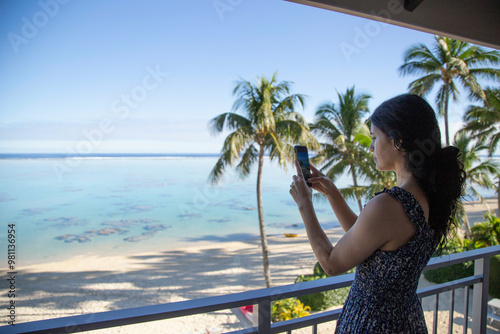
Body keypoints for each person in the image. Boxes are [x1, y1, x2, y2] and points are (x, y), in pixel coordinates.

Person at [289, 94, 465, 333]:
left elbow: (331, 264)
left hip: (372, 323)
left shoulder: (390, 205)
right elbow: (367, 238)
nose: (370, 146)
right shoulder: (430, 194)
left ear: (398, 141)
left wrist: (304, 204)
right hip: (406, 319)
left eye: (374, 137)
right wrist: (332, 192)